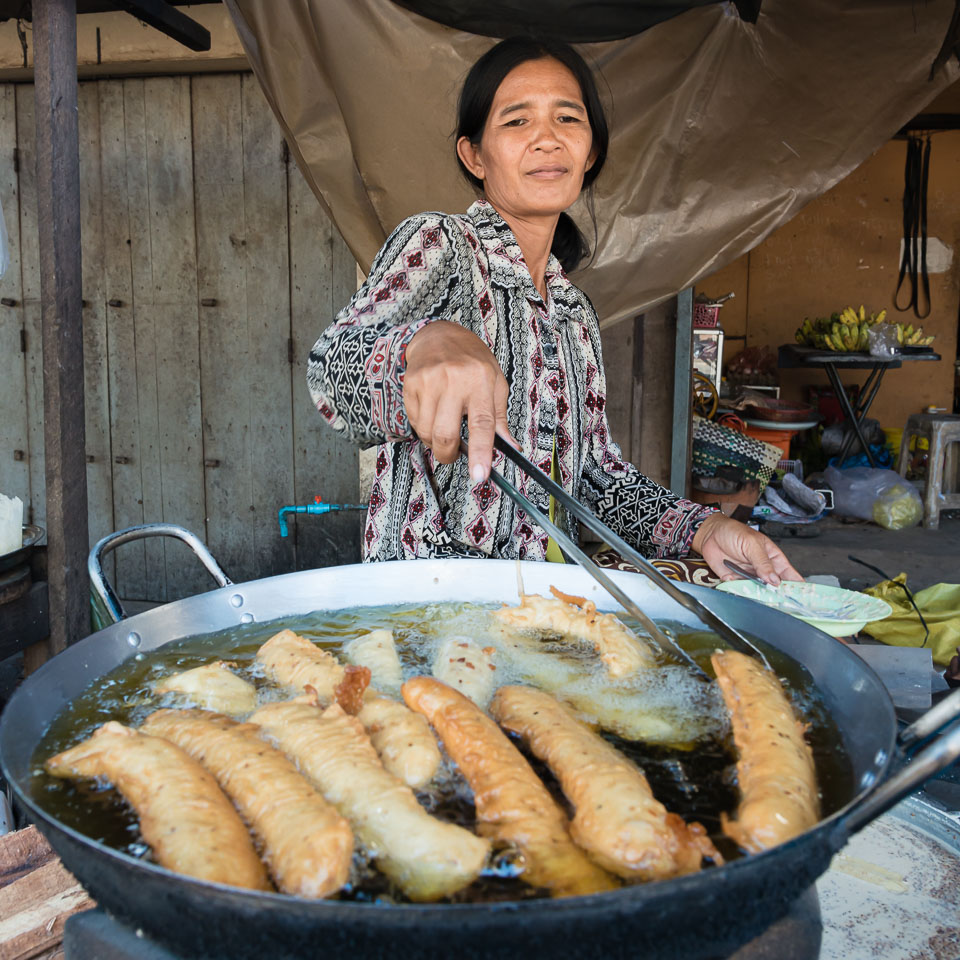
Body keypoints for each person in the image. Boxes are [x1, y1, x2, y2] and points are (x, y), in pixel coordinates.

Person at [307, 36, 801, 586]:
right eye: (516, 122)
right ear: (474, 154)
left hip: (535, 608)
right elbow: (329, 368)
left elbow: (595, 475)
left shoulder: (573, 313)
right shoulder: (441, 245)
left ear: (589, 151)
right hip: (427, 608)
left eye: (567, 118)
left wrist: (703, 529)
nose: (546, 139)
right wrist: (425, 340)